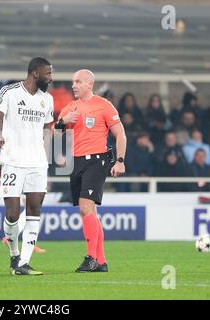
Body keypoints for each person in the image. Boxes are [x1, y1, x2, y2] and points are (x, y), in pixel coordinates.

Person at [56, 69, 127, 272]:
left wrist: (120, 161)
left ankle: (91, 258)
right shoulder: (70, 108)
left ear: (90, 84)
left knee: (85, 208)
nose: (74, 85)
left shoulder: (104, 105)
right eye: (72, 82)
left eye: (78, 81)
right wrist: (64, 122)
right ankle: (101, 261)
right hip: (77, 162)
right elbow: (53, 132)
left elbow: (120, 134)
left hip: (97, 160)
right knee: (91, 212)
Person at [0, 57, 54, 275]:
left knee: (35, 208)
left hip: (37, 162)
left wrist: (48, 152)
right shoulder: (9, 91)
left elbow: (47, 127)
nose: (50, 77)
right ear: (35, 74)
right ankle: (14, 254)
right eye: (48, 73)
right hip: (13, 160)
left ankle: (23, 263)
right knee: (12, 213)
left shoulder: (47, 99)